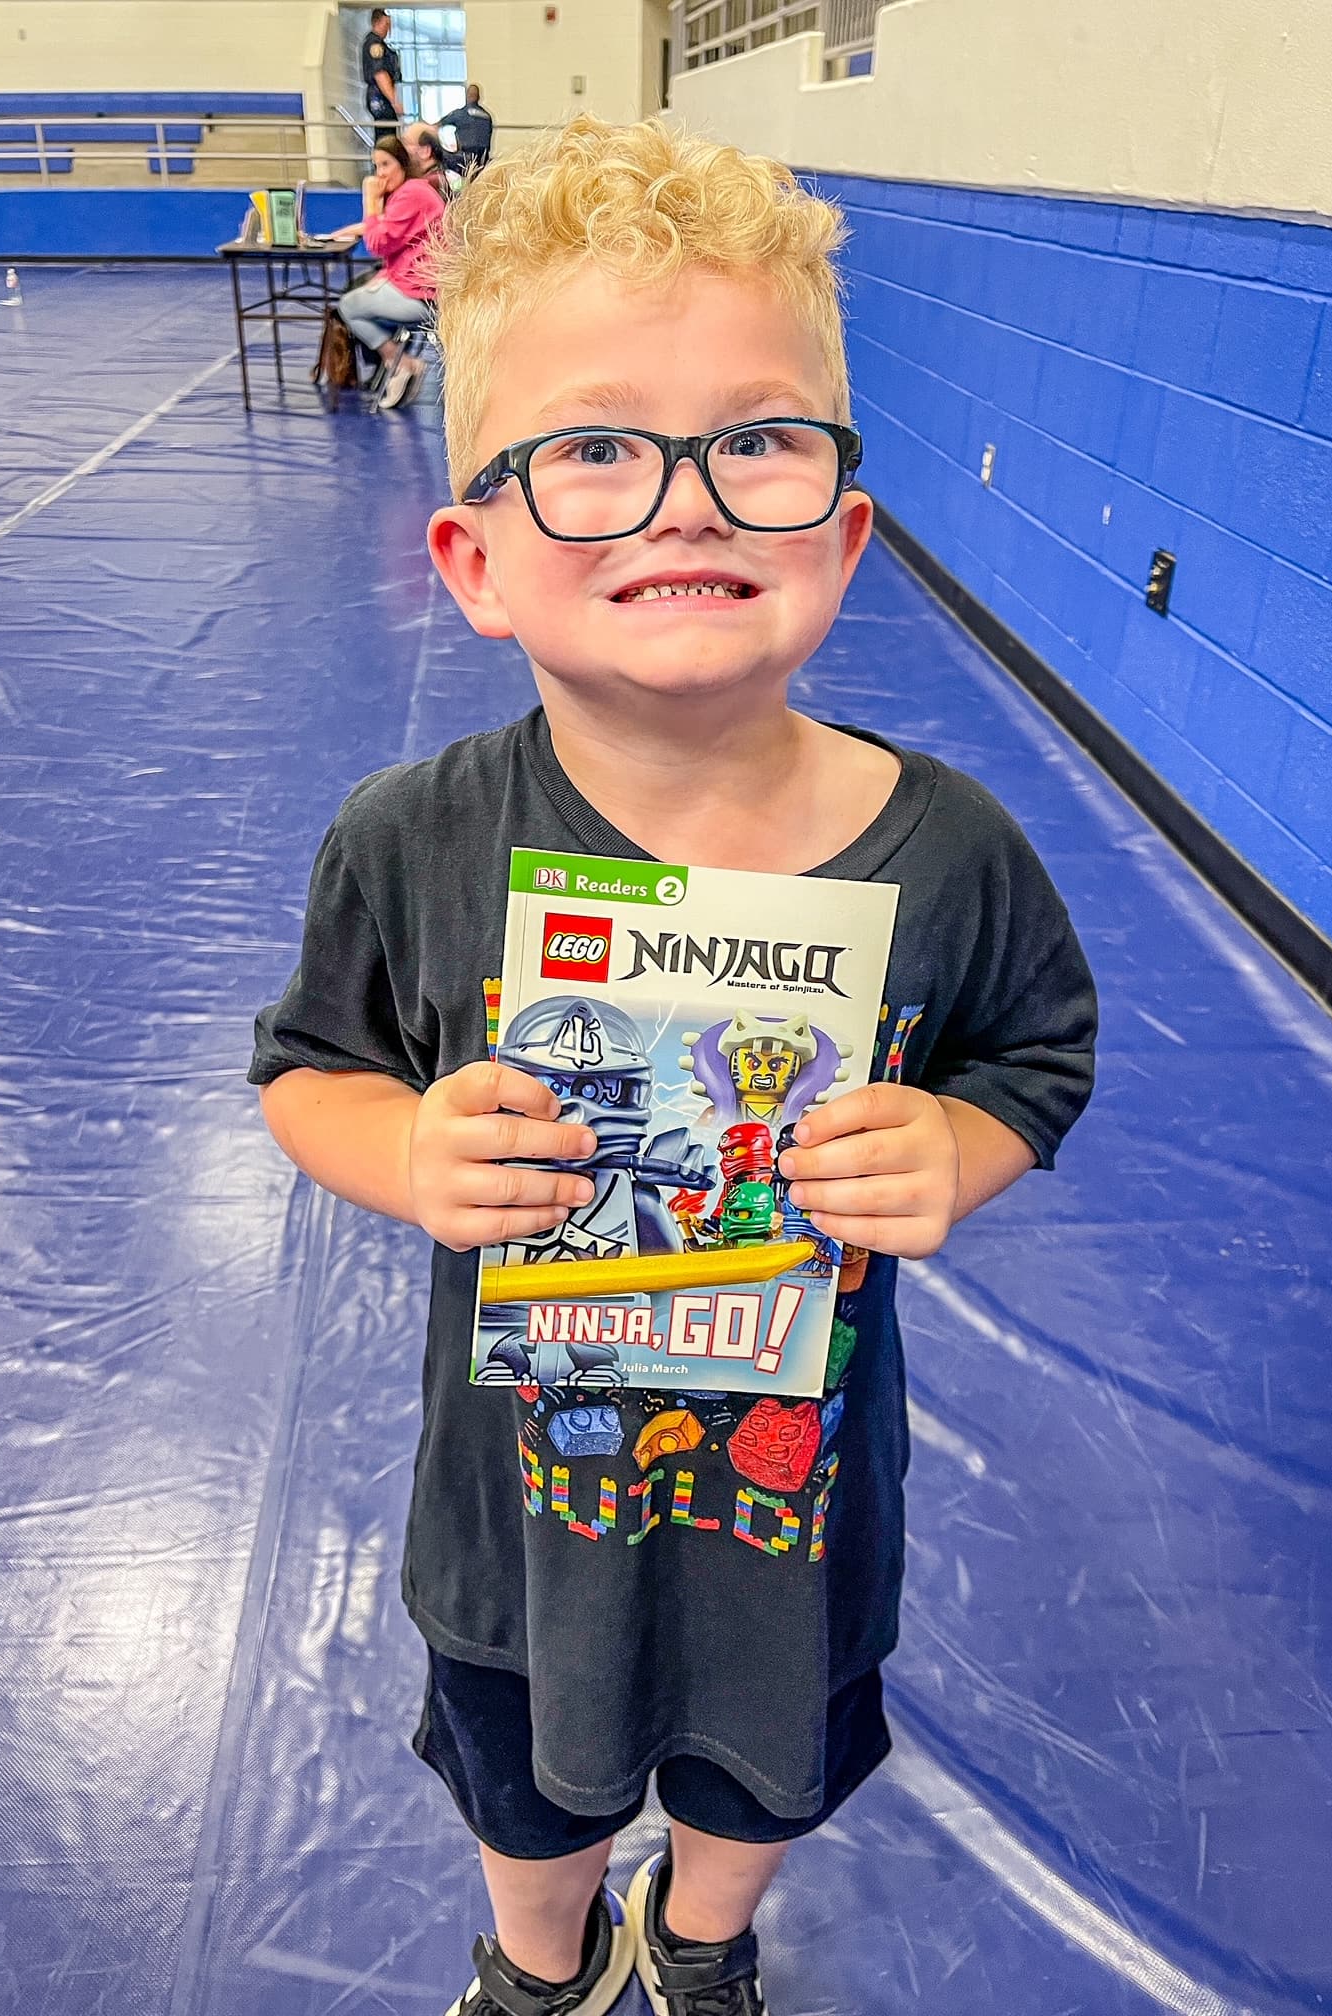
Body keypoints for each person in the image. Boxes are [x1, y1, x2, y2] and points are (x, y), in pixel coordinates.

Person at [251, 116, 1097, 2016]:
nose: (684, 500)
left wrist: (955, 1150)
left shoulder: (945, 848)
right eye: (595, 449)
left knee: (756, 1770)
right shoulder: (411, 840)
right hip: (520, 1514)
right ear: (474, 558)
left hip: (791, 1511)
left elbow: (1037, 1054)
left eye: (758, 438)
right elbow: (308, 1069)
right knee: (524, 1790)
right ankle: (539, 1965)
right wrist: (405, 1152)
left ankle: (701, 1942)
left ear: (844, 528)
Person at [332, 138, 442, 410]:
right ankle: (393, 364)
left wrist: (370, 201)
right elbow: (392, 238)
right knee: (363, 289)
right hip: (421, 287)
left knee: (348, 304)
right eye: (375, 166)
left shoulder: (411, 193)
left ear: (403, 164)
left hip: (425, 297)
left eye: (386, 164)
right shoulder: (413, 191)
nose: (379, 173)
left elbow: (377, 244)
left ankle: (400, 363)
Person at [360, 8, 403, 137]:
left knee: (387, 134)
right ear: (377, 23)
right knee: (386, 135)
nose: (388, 29)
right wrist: (394, 101)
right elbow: (380, 74)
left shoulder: (379, 44)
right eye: (386, 24)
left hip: (381, 96)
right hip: (379, 96)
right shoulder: (374, 44)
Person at [442, 83, 495, 176]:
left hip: (464, 159)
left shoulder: (460, 114)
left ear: (467, 96)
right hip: (483, 160)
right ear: (479, 97)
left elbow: (440, 123)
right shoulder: (487, 115)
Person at [402, 121, 456, 199]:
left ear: (425, 151)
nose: (401, 149)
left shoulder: (429, 185)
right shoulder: (441, 178)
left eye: (407, 143)